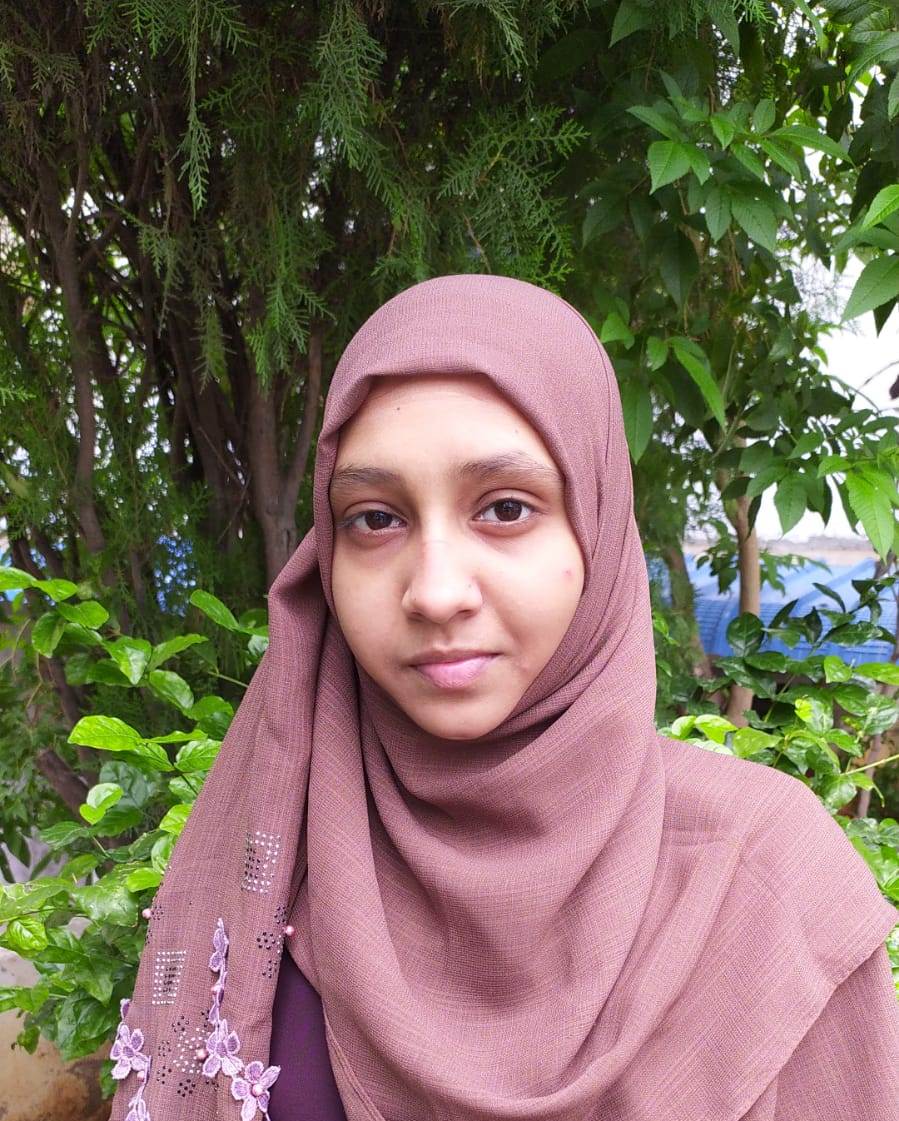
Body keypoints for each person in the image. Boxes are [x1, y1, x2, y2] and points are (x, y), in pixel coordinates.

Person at [109, 274, 899, 1121]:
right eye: (375, 518)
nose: (435, 591)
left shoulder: (765, 884)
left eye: (506, 508)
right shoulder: (275, 843)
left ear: (595, 525)